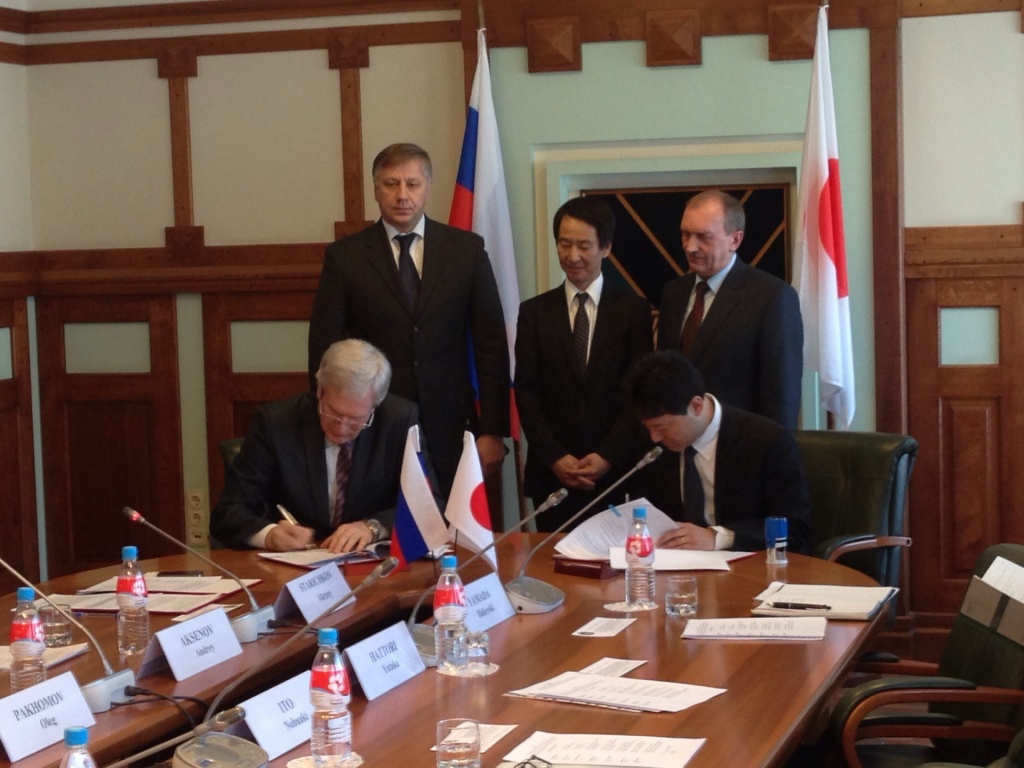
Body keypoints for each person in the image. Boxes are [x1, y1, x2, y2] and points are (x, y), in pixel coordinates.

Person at [307, 143, 509, 499]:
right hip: (374, 426)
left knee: (450, 527)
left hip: (451, 427)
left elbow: (490, 345)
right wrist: (333, 422)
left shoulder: (466, 250)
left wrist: (492, 431)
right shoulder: (345, 257)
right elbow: (325, 350)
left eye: (412, 184)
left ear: (427, 186)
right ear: (375, 189)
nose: (402, 195)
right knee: (380, 523)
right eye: (391, 184)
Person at [212, 339, 429, 553]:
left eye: (355, 419)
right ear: (320, 391)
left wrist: (374, 527)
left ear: (375, 406)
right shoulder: (275, 424)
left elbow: (428, 504)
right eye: (333, 413)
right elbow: (228, 512)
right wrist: (269, 535)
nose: (341, 428)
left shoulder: (399, 421)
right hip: (294, 565)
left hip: (369, 564)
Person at [515, 197, 653, 531]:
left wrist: (608, 455)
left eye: (583, 246)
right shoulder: (534, 312)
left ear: (605, 247)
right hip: (552, 475)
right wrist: (554, 456)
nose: (572, 255)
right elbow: (527, 391)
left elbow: (639, 391)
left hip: (616, 472)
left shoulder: (633, 311)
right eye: (564, 244)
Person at [624, 350, 810, 553]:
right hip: (676, 564)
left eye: (661, 427)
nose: (655, 438)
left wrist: (719, 537)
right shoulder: (655, 445)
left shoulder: (766, 441)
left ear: (696, 406)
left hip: (749, 563)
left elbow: (795, 527)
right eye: (648, 428)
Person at [657, 190, 803, 429]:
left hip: (738, 440)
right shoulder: (673, 293)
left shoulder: (771, 297)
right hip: (678, 440)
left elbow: (780, 397)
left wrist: (771, 449)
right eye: (686, 234)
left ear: (735, 240)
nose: (690, 247)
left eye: (703, 237)